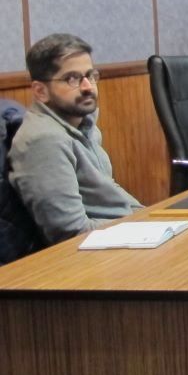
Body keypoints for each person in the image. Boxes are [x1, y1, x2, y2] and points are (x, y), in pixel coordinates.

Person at [8, 34, 142, 245]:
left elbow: (108, 190)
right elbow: (71, 231)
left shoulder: (82, 123)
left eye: (90, 75)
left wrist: (151, 216)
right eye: (72, 78)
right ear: (41, 91)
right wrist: (140, 226)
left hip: (124, 237)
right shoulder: (44, 140)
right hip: (92, 252)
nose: (88, 86)